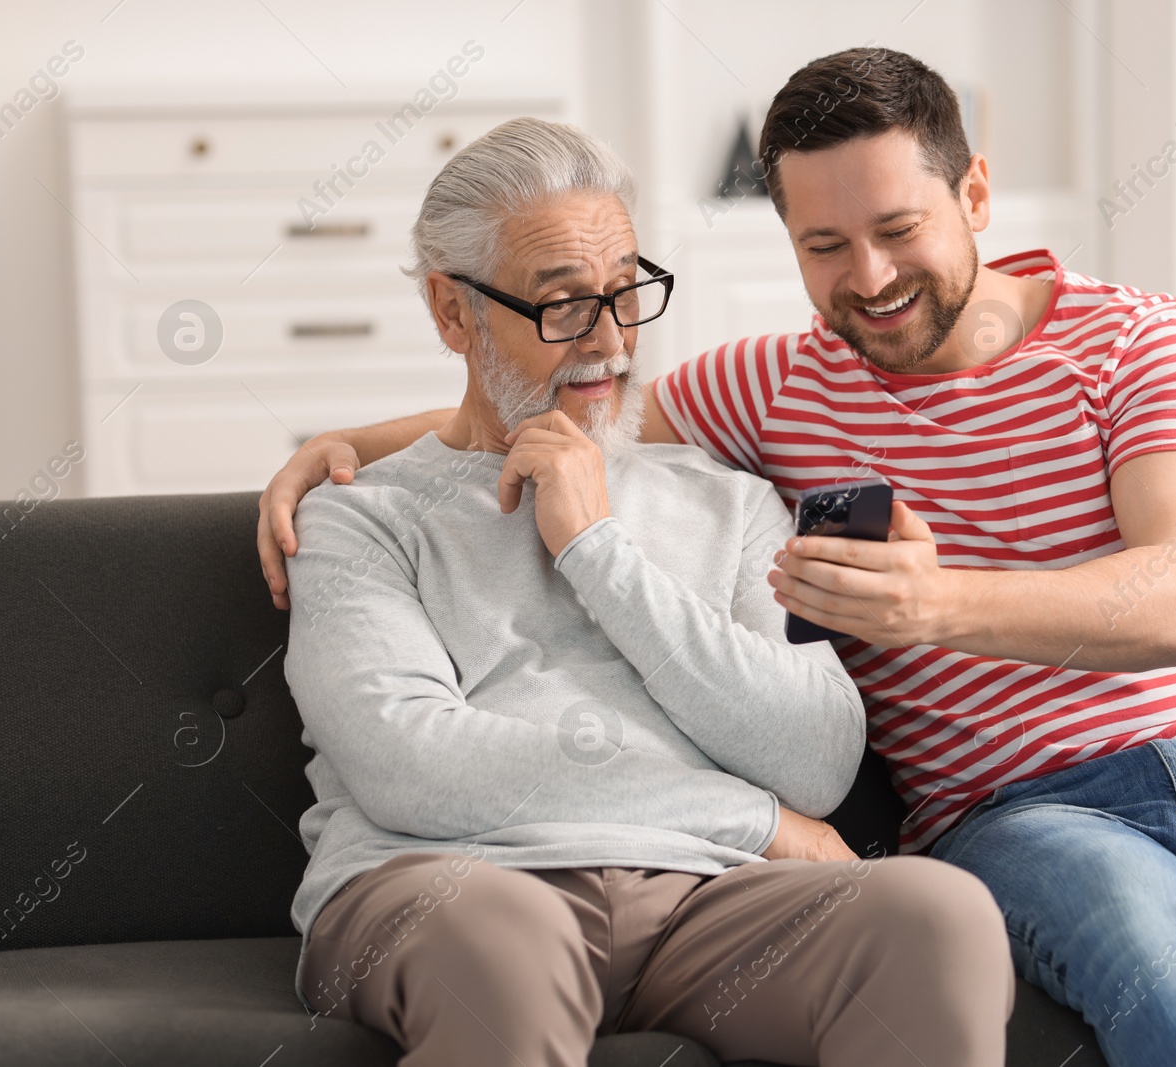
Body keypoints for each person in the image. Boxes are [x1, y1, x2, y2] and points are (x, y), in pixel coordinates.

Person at [264, 49, 1176, 1066]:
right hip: (1020, 814)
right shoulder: (766, 390)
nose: (867, 277)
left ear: (973, 194)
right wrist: (335, 446)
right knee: (1138, 931)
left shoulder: (1140, 342)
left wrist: (937, 603)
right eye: (822, 246)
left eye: (897, 228)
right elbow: (564, 394)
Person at [281, 115, 1015, 1067]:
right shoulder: (359, 518)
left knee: (936, 910)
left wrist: (597, 548)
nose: (609, 340)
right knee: (509, 943)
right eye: (563, 305)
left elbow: (818, 753)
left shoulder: (734, 501)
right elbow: (413, 764)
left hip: (706, 904)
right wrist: (747, 820)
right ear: (452, 312)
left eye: (627, 293)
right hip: (451, 885)